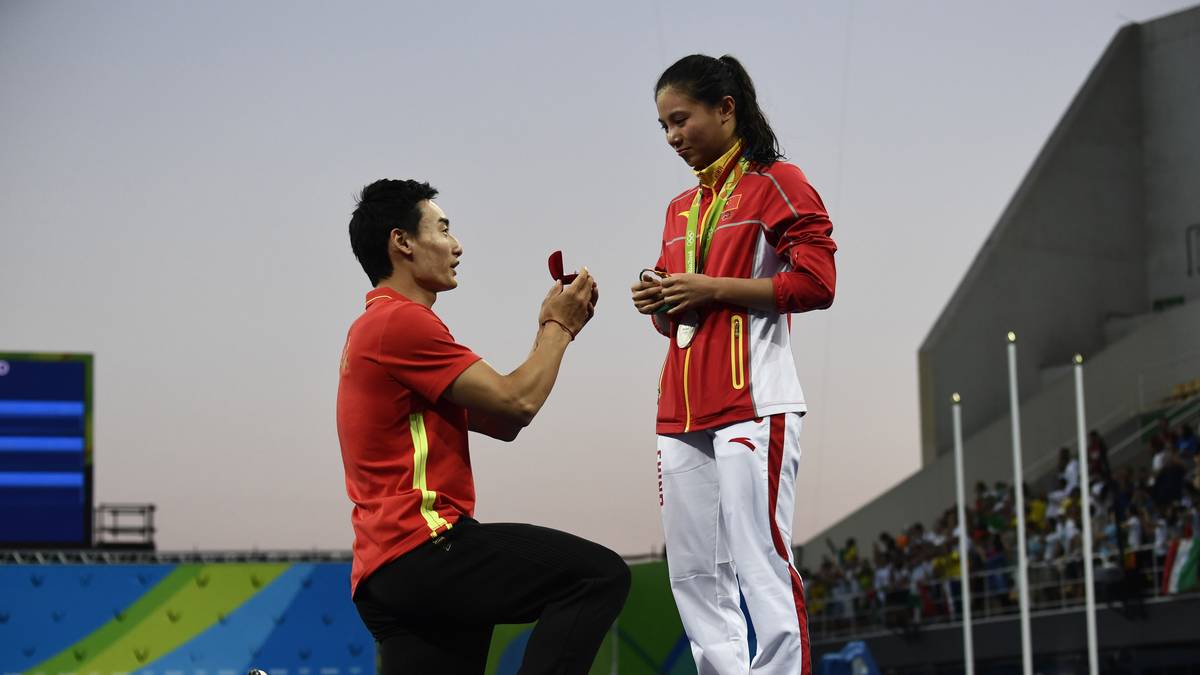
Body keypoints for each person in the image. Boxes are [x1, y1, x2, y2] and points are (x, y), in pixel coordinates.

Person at [337, 179, 629, 674]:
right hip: (424, 546)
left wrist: (548, 331)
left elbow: (501, 421)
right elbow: (518, 401)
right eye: (444, 229)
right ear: (401, 242)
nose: (457, 245)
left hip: (386, 571)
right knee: (597, 578)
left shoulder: (377, 328)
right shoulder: (401, 324)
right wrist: (560, 327)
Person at [630, 54, 837, 674]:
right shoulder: (678, 208)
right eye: (663, 126)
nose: (672, 138)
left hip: (754, 402)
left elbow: (816, 283)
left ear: (726, 109)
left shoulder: (778, 181)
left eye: (681, 120)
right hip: (681, 408)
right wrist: (659, 301)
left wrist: (710, 288)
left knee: (761, 560)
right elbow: (685, 309)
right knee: (693, 572)